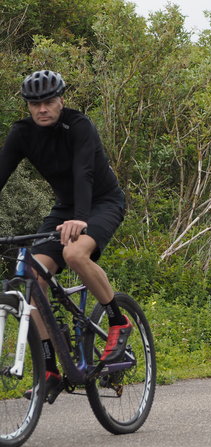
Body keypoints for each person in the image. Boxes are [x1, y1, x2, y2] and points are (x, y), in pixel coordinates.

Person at [0, 70, 130, 400]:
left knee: (74, 254)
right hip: (64, 209)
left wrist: (81, 219)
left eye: (48, 102)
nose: (42, 109)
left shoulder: (79, 126)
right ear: (28, 106)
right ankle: (50, 370)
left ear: (61, 101)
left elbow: (84, 172)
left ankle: (118, 322)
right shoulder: (22, 134)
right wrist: (70, 215)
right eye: (35, 104)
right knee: (33, 276)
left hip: (101, 202)